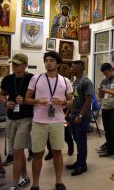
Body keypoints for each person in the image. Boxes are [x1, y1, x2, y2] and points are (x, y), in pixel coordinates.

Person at [25, 51, 73, 190]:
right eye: (46, 60)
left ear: (58, 63)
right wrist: (37, 101)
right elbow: (27, 99)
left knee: (57, 152)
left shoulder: (65, 81)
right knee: (37, 154)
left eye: (52, 60)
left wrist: (63, 102)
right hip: (39, 121)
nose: (48, 62)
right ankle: (35, 184)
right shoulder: (36, 78)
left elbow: (71, 102)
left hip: (57, 122)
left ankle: (59, 182)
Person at [0, 53, 34, 190]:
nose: (14, 66)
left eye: (17, 64)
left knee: (17, 151)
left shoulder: (32, 79)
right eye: (13, 63)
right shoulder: (8, 78)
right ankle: (25, 177)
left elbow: (37, 99)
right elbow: (2, 94)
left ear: (25, 65)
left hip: (26, 119)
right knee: (17, 152)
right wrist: (6, 102)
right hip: (11, 118)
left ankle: (14, 184)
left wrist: (25, 101)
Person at [65, 60, 94, 176]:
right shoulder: (75, 82)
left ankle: (82, 165)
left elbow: (88, 100)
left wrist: (80, 115)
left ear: (80, 68)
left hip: (82, 116)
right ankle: (79, 161)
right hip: (74, 115)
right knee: (77, 140)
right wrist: (68, 113)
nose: (70, 69)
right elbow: (74, 100)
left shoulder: (86, 82)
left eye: (72, 67)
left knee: (81, 141)